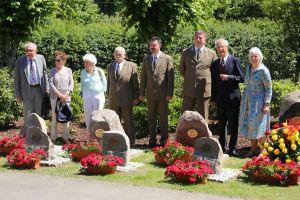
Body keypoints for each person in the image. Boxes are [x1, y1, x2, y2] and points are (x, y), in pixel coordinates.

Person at [210, 39, 245, 156]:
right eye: (218, 47)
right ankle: (222, 147)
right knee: (221, 123)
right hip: (220, 99)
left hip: (232, 97)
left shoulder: (235, 61)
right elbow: (214, 82)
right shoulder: (215, 64)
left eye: (222, 47)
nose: (221, 49)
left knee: (233, 123)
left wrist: (229, 77)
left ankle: (233, 147)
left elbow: (242, 78)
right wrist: (213, 99)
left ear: (227, 47)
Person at [139, 36, 174, 147]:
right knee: (151, 118)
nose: (152, 47)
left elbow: (170, 78)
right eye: (151, 45)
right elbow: (143, 77)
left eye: (154, 45)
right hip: (150, 94)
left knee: (163, 119)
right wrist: (141, 93)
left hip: (163, 95)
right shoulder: (146, 59)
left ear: (160, 45)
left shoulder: (167, 59)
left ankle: (164, 141)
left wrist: (169, 93)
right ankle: (152, 141)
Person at [238, 47, 272, 157]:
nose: (253, 58)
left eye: (256, 56)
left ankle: (262, 151)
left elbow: (269, 88)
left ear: (260, 57)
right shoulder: (248, 68)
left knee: (260, 125)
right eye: (252, 56)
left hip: (259, 101)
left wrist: (266, 104)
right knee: (250, 124)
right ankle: (253, 149)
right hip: (248, 100)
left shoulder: (264, 71)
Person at [180, 30, 217, 122]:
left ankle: (204, 135)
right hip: (189, 88)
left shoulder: (211, 53)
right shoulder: (186, 52)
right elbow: (182, 68)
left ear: (205, 39)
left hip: (204, 89)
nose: (198, 39)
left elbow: (214, 71)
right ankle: (186, 135)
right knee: (186, 115)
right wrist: (190, 79)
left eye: (200, 37)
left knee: (203, 116)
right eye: (196, 37)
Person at [107, 47, 140, 145]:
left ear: (124, 55)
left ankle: (131, 142)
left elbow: (136, 84)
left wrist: (136, 97)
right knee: (114, 122)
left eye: (120, 54)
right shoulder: (110, 66)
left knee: (128, 122)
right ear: (114, 55)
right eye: (116, 54)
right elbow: (109, 83)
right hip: (114, 99)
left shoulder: (131, 66)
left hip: (127, 99)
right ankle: (116, 141)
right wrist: (108, 96)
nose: (118, 56)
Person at [14, 42, 49, 122]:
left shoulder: (41, 58)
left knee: (39, 113)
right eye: (26, 50)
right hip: (26, 90)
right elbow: (16, 79)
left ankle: (38, 132)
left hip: (39, 89)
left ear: (35, 51)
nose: (28, 52)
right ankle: (29, 133)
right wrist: (17, 94)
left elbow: (45, 73)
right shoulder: (20, 61)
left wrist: (47, 88)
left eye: (30, 50)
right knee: (28, 114)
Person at [49, 51, 74, 143]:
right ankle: (53, 137)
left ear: (63, 61)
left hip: (66, 98)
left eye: (58, 60)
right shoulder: (52, 71)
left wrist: (67, 93)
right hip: (55, 98)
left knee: (66, 116)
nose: (57, 61)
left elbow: (71, 83)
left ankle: (66, 137)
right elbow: (51, 84)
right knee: (54, 117)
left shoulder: (68, 70)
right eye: (55, 60)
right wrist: (59, 94)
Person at [80, 54, 107, 133]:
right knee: (88, 115)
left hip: (98, 94)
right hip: (86, 94)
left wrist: (102, 93)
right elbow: (82, 84)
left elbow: (104, 82)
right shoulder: (83, 72)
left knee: (98, 115)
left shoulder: (99, 70)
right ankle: (89, 135)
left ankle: (98, 135)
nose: (84, 64)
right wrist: (82, 93)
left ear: (92, 63)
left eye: (86, 62)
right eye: (84, 62)